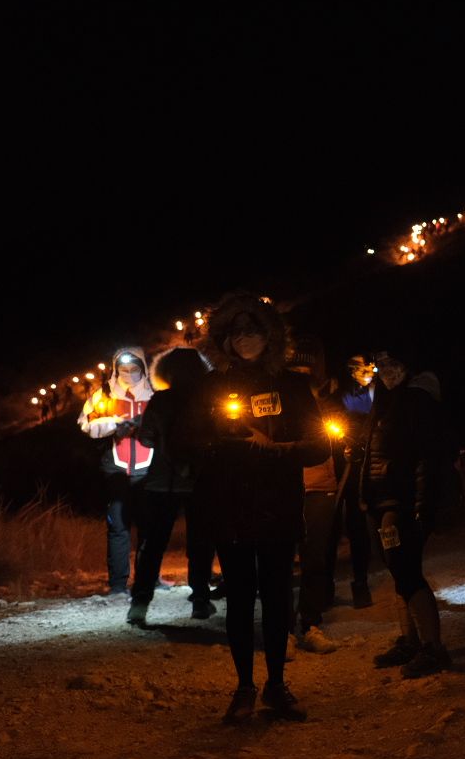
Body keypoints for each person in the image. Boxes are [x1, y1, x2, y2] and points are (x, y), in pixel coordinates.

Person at [183, 293, 326, 723]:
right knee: (241, 598)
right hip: (231, 507)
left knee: (279, 597)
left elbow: (319, 445)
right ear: (224, 341)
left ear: (270, 335)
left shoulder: (293, 385)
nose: (246, 339)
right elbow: (182, 445)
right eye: (236, 332)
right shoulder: (210, 389)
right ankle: (244, 687)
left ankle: (277, 685)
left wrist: (278, 449)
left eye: (254, 330)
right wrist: (219, 444)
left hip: (279, 505)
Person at [360, 346, 451, 678]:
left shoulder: (416, 400)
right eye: (381, 363)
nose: (386, 370)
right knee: (398, 570)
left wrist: (421, 507)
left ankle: (433, 648)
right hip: (382, 499)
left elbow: (427, 458)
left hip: (401, 500)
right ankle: (410, 640)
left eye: (393, 363)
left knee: (406, 569)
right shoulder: (385, 400)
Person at [126, 347, 216, 626]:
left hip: (161, 482)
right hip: (199, 481)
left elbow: (147, 439)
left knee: (152, 544)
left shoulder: (160, 401)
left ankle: (140, 603)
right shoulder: (209, 400)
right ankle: (200, 600)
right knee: (200, 542)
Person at [76, 346, 157, 598]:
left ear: (143, 368)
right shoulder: (104, 394)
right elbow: (85, 423)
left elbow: (170, 425)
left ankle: (150, 580)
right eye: (123, 369)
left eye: (134, 369)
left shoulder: (156, 393)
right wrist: (115, 425)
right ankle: (119, 584)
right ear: (115, 369)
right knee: (118, 527)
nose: (129, 373)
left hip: (149, 469)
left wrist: (146, 428)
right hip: (116, 469)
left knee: (150, 527)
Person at [289, 337, 341, 654]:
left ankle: (310, 624)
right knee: (280, 562)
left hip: (320, 487)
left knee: (316, 560)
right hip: (285, 488)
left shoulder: (327, 404)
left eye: (305, 372)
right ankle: (281, 629)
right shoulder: (279, 404)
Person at [334, 354, 377, 609]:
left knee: (360, 525)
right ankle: (325, 586)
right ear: (352, 370)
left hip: (367, 464)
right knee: (334, 526)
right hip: (343, 465)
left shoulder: (376, 392)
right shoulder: (342, 395)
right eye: (364, 366)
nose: (370, 369)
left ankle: (361, 583)